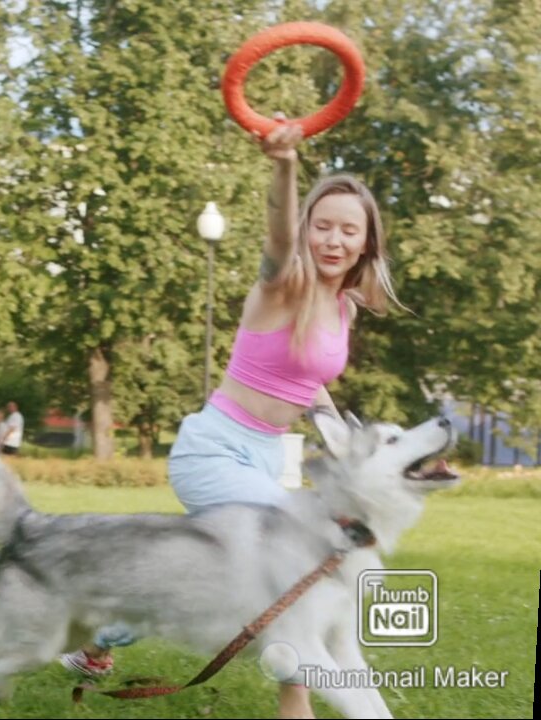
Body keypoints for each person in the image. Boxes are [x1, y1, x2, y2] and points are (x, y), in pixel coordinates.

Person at [61, 117, 405, 719]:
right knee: (298, 562)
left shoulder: (342, 305)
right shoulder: (282, 284)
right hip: (215, 451)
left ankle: (99, 634)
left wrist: (339, 429)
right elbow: (277, 238)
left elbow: (308, 379)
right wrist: (285, 165)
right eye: (322, 225)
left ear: (366, 242)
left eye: (348, 230)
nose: (333, 238)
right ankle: (296, 705)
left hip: (271, 457)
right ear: (306, 229)